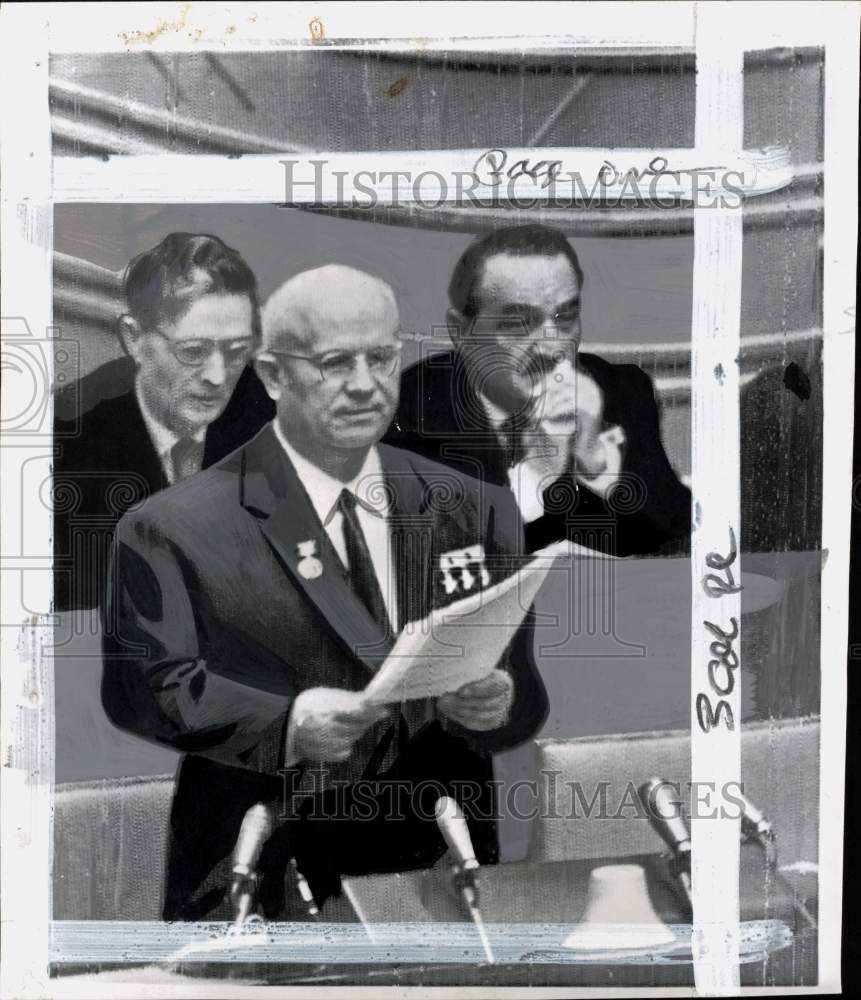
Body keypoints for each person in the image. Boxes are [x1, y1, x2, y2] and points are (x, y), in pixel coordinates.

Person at [101, 264, 548, 921]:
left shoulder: (474, 509)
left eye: (381, 358)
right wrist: (287, 724)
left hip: (439, 875)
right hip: (264, 875)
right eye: (336, 362)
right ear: (274, 375)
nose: (366, 386)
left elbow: (524, 693)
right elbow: (145, 689)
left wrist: (498, 699)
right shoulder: (172, 527)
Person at [387, 224, 691, 556]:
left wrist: (592, 458)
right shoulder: (409, 409)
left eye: (565, 318)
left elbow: (674, 534)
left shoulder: (620, 390)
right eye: (519, 323)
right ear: (462, 333)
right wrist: (536, 475)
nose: (552, 347)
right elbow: (423, 563)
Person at [53, 233, 275, 611]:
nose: (218, 377)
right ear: (133, 338)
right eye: (193, 352)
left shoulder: (269, 413)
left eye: (237, 352)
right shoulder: (67, 442)